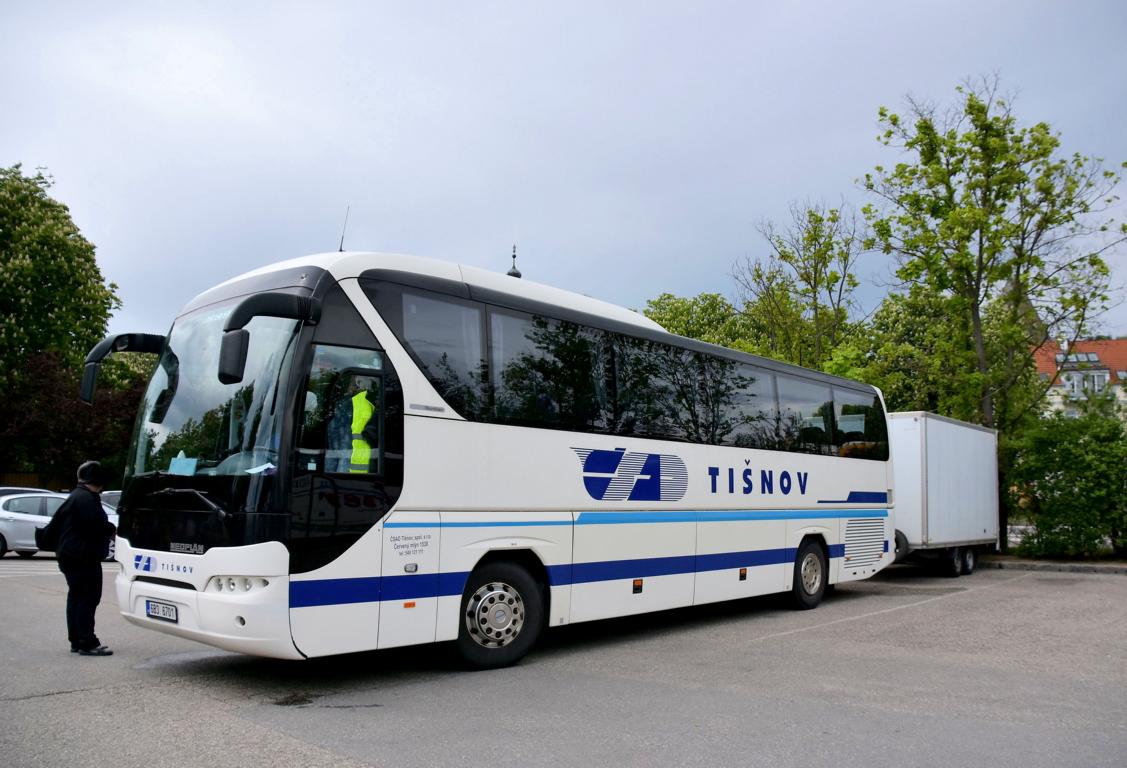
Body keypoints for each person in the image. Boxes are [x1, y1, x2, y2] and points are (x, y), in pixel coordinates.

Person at [51, 460, 116, 656]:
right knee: (88, 598)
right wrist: (113, 531)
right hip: (82, 557)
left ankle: (76, 640)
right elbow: (96, 525)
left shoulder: (76, 496)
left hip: (70, 555)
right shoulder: (87, 499)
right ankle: (87, 641)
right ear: (97, 480)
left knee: (76, 597)